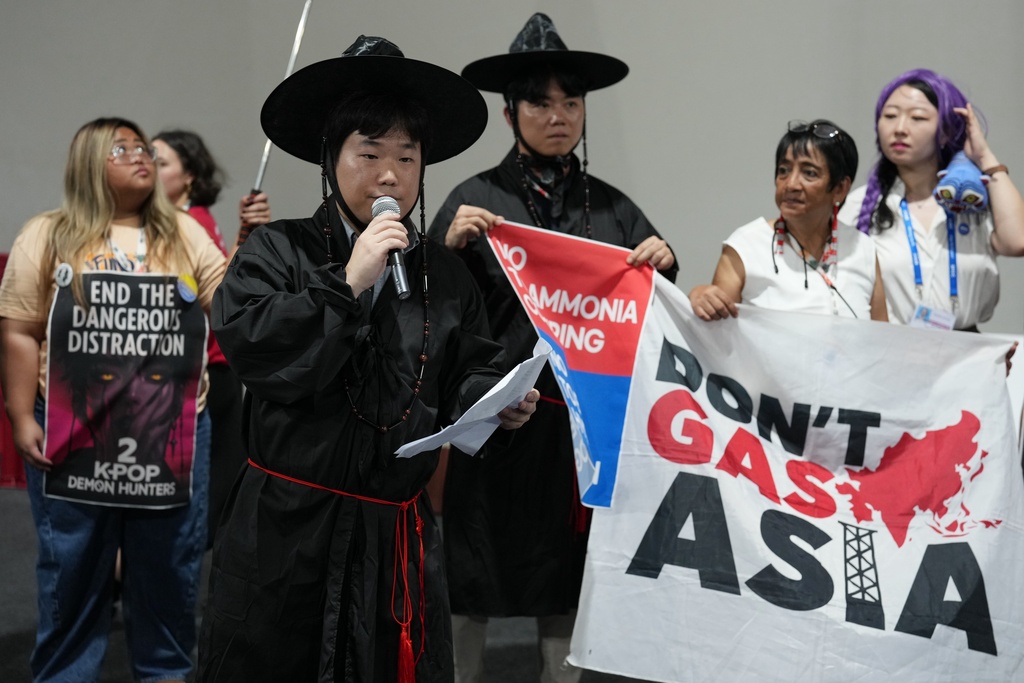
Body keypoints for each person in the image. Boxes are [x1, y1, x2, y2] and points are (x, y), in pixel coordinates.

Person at [197, 35, 538, 683]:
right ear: (332, 159)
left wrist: (495, 399)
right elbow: (253, 344)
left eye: (407, 156)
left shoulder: (442, 270)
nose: (390, 174)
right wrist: (348, 281)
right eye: (370, 153)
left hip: (397, 535)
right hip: (289, 526)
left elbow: (471, 360)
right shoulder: (278, 249)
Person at [427, 13, 677, 683]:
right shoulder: (473, 201)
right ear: (510, 114)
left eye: (572, 101)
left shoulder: (616, 209)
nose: (559, 114)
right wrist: (444, 251)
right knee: (466, 580)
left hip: (579, 436)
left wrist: (665, 260)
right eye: (540, 101)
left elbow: (656, 313)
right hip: (496, 425)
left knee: (569, 587)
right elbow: (422, 307)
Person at [0, 117, 226, 682]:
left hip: (172, 439)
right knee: (71, 572)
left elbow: (232, 307)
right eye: (120, 149)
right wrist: (22, 414)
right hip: (70, 438)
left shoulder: (183, 232)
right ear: (87, 165)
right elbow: (21, 331)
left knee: (169, 575)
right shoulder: (47, 233)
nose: (140, 155)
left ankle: (166, 675)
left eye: (143, 147)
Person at [153, 129, 271, 544]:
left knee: (202, 488)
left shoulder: (187, 224)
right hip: (215, 368)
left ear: (188, 177)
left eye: (160, 161)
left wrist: (249, 233)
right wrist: (246, 232)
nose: (147, 167)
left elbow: (219, 292)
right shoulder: (191, 218)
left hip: (206, 370)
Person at [839, 69, 1024, 330]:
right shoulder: (859, 206)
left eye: (917, 118)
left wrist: (985, 158)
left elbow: (1017, 242)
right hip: (891, 354)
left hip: (966, 356)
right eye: (890, 116)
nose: (900, 129)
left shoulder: (974, 200)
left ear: (947, 130)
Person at [691, 119, 886, 322]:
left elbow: (883, 343)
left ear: (840, 189)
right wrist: (697, 296)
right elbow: (714, 336)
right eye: (784, 170)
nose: (791, 184)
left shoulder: (862, 249)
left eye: (809, 173)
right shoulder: (746, 247)